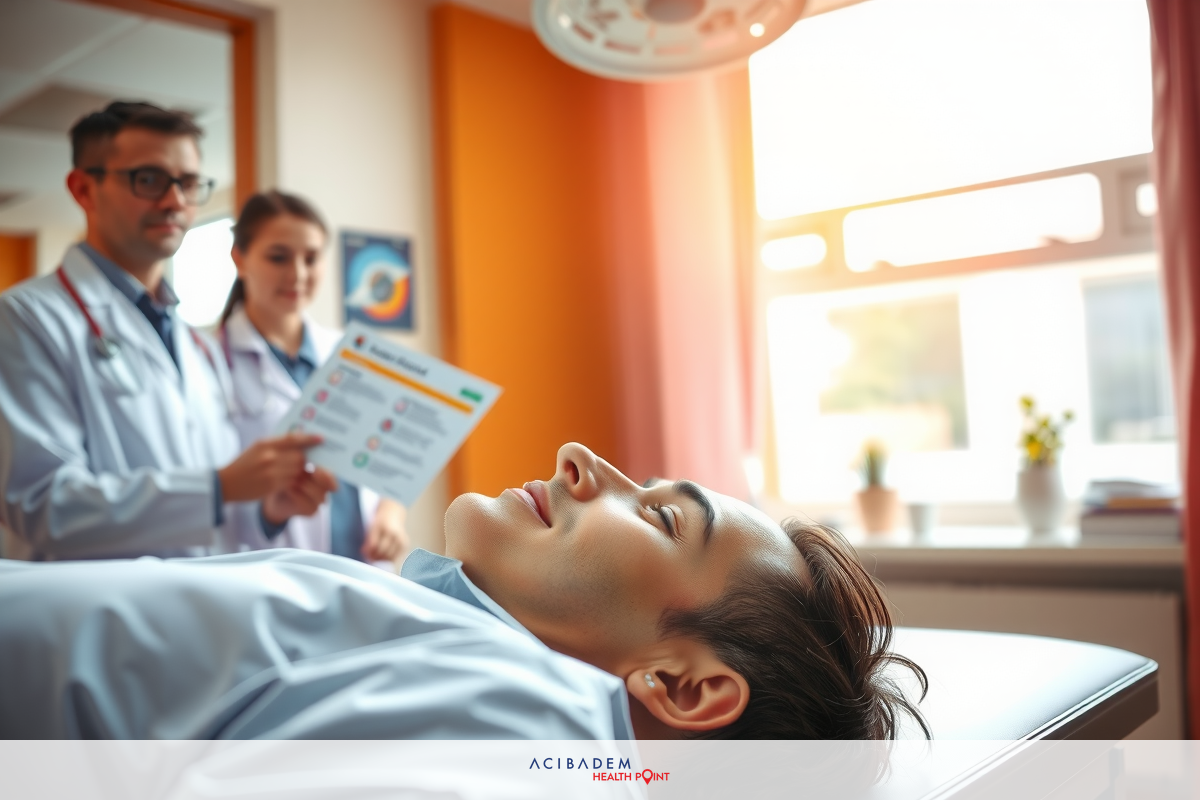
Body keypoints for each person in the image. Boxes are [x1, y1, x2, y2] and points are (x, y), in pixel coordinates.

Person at [0, 443, 928, 740]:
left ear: (682, 685)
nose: (581, 459)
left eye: (659, 518)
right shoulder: (434, 645)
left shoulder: (528, 720)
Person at [0, 102, 336, 561]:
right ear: (84, 189)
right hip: (97, 617)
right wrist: (218, 488)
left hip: (200, 610)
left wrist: (269, 510)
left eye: (190, 183)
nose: (176, 201)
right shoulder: (27, 319)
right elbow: (41, 506)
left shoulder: (195, 342)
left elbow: (216, 507)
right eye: (149, 179)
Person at [218, 191, 408, 564]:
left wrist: (391, 514)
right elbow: (217, 493)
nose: (298, 275)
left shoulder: (351, 353)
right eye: (278, 257)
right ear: (239, 259)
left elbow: (389, 457)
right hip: (276, 567)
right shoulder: (211, 361)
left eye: (311, 258)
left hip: (366, 564)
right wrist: (270, 511)